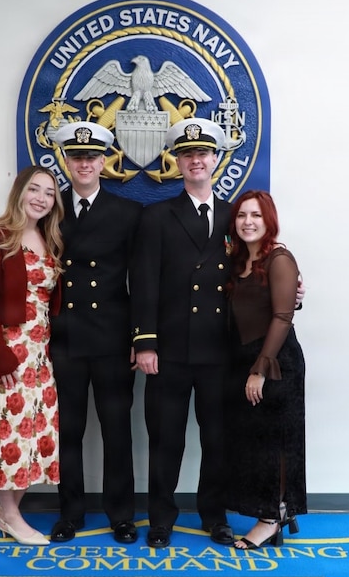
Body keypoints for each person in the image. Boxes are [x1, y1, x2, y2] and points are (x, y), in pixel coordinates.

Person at [131, 118, 235, 548]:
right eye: (187, 154)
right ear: (177, 161)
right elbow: (144, 281)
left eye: (203, 153)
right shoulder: (157, 215)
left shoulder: (235, 213)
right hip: (170, 349)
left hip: (220, 350)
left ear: (215, 159)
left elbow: (256, 271)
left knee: (217, 440)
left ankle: (216, 516)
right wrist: (145, 342)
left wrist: (293, 291)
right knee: (165, 439)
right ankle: (161, 518)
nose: (196, 160)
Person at [49, 121, 142, 544]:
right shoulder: (52, 210)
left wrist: (141, 338)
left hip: (112, 337)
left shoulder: (128, 212)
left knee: (116, 429)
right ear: (65, 162)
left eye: (90, 157)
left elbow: (140, 281)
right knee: (68, 430)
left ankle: (121, 514)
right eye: (76, 157)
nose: (83, 164)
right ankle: (70, 512)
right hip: (66, 336)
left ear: (104, 162)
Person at [0, 166, 64, 546]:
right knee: (4, 433)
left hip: (39, 352)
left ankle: (7, 511)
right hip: (2, 351)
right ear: (19, 192)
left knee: (32, 433)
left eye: (49, 193)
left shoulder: (49, 239)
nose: (40, 198)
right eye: (33, 189)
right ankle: (13, 516)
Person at [225, 190, 306, 549]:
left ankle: (271, 519)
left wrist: (260, 369)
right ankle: (270, 512)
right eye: (242, 215)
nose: (248, 222)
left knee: (276, 442)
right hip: (244, 360)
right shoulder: (237, 259)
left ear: (268, 219)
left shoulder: (279, 258)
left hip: (276, 363)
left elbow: (283, 315)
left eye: (255, 215)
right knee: (255, 443)